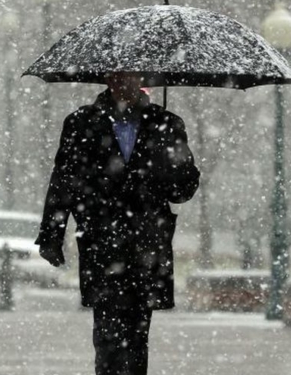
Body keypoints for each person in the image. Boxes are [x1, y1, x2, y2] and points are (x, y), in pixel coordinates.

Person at [36, 73, 200, 375]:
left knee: (137, 336)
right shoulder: (81, 123)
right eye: (118, 73)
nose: (125, 80)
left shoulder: (167, 124)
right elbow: (63, 181)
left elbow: (183, 191)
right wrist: (51, 234)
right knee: (107, 334)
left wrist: (174, 165)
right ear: (107, 77)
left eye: (132, 73)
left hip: (147, 243)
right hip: (102, 240)